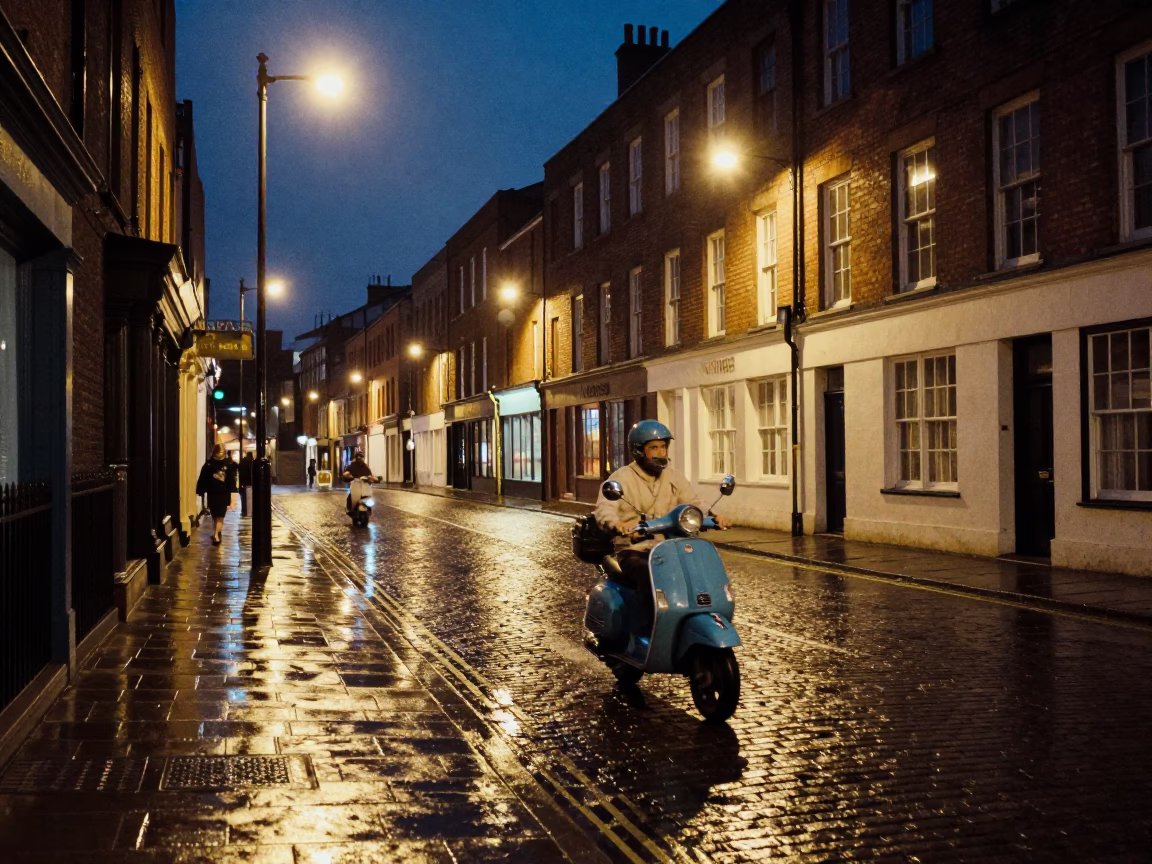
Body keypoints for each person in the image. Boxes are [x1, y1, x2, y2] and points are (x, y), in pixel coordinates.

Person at [594, 420, 731, 623]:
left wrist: (715, 516)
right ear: (639, 451)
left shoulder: (674, 477)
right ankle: (647, 627)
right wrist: (618, 525)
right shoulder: (621, 478)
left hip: (672, 548)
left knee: (702, 572)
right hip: (635, 550)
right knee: (647, 576)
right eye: (654, 448)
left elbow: (692, 503)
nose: (661, 452)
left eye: (663, 447)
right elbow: (605, 509)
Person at [196, 444, 238, 545]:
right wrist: (233, 492)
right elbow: (231, 481)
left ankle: (215, 533)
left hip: (213, 493)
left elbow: (203, 478)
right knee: (219, 516)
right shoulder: (226, 464)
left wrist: (200, 490)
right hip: (222, 494)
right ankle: (216, 533)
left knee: (216, 515)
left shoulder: (209, 464)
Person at [238, 451, 254, 517]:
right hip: (249, 483)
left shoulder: (242, 462)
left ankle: (244, 510)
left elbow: (239, 470)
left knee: (243, 498)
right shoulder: (250, 462)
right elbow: (251, 473)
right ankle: (248, 511)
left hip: (243, 483)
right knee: (249, 498)